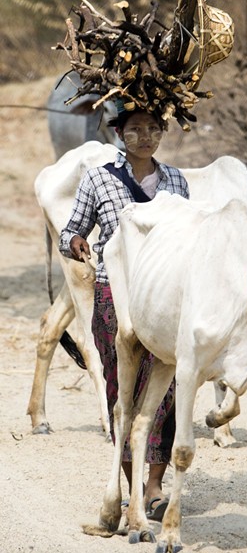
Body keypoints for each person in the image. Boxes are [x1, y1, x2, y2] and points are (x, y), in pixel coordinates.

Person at [59, 106, 189, 520]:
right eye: (135, 130)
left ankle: (154, 486)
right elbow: (70, 230)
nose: (145, 137)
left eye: (154, 129)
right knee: (123, 390)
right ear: (119, 133)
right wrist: (79, 244)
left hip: (165, 298)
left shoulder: (176, 181)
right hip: (114, 295)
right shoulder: (100, 177)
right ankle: (131, 481)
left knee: (168, 387)